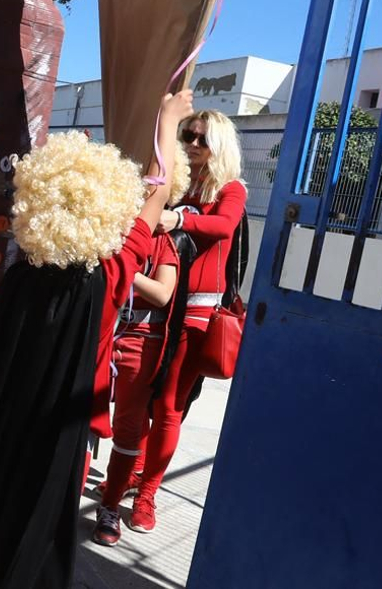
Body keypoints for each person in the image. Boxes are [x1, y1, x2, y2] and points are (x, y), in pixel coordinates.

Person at [0, 89, 192, 589]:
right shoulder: (109, 272)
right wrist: (166, 122)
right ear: (108, 208)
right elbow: (157, 193)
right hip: (59, 431)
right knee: (34, 519)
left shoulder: (22, 274)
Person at [129, 109, 248, 534]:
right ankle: (132, 472)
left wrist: (177, 217)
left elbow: (224, 225)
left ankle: (146, 493)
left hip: (196, 312)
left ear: (219, 144)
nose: (193, 144)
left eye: (202, 138)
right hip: (155, 303)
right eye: (187, 135)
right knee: (139, 397)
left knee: (168, 405)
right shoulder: (175, 182)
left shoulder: (230, 189)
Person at [89, 160, 193, 546]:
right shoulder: (105, 224)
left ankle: (110, 507)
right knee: (80, 416)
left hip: (140, 340)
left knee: (129, 427)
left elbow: (164, 293)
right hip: (100, 332)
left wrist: (123, 268)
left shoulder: (163, 239)